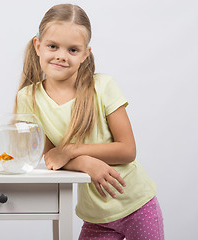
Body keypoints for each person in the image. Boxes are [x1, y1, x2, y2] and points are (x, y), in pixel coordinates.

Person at [15, 4, 164, 239]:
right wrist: (86, 164)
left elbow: (128, 150)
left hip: (137, 204)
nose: (61, 56)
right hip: (95, 216)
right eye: (52, 46)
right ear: (38, 45)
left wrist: (74, 150)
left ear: (86, 53)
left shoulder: (103, 86)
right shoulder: (28, 98)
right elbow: (51, 158)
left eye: (73, 50)